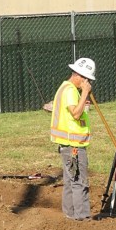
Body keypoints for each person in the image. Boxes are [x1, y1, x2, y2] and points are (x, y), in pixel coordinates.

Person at [44, 56, 95, 220]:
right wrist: (85, 93)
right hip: (73, 146)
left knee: (70, 181)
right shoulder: (71, 91)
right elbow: (76, 113)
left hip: (67, 145)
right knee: (79, 182)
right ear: (80, 75)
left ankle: (69, 216)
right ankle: (82, 217)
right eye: (86, 79)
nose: (86, 83)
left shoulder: (65, 88)